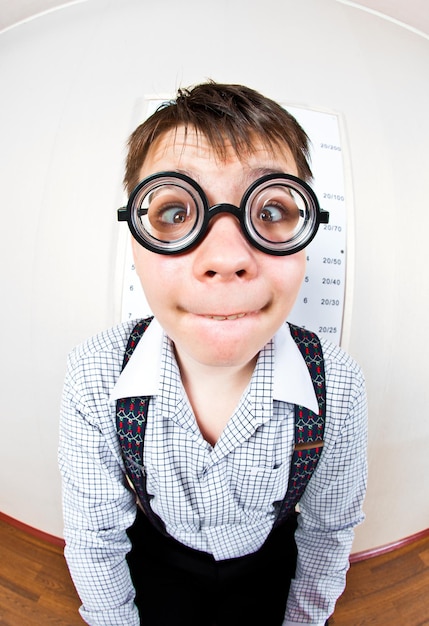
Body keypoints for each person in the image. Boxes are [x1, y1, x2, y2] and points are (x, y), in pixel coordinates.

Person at [59, 81, 367, 626]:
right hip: (156, 561)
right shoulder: (93, 375)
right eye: (176, 213)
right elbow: (95, 538)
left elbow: (327, 531)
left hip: (269, 563)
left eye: (270, 209)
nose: (226, 258)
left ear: (306, 232)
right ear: (135, 238)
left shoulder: (337, 384)